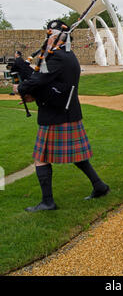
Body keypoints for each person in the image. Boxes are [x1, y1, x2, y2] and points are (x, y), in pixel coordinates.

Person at [14, 20, 109, 212]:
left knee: (41, 158)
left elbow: (39, 79)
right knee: (78, 156)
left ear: (59, 38)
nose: (47, 39)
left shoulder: (56, 57)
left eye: (50, 35)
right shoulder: (67, 55)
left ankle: (47, 202)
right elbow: (47, 81)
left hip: (56, 114)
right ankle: (100, 186)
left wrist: (21, 88)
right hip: (67, 111)